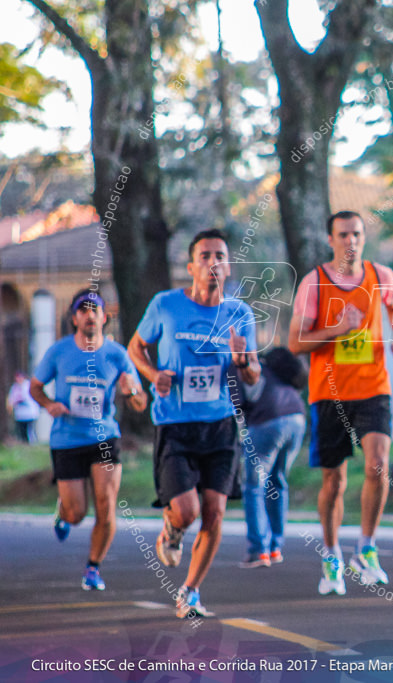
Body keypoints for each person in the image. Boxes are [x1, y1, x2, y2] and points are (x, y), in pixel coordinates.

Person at [128, 228, 260, 618]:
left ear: (229, 265)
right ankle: (172, 529)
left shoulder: (239, 314)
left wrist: (242, 362)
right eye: (204, 256)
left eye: (220, 255)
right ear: (191, 266)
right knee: (186, 511)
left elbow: (253, 374)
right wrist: (153, 376)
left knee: (215, 511)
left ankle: (191, 591)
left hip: (219, 425)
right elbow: (136, 347)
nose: (213, 262)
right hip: (175, 424)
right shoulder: (166, 305)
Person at [288, 210, 393, 595]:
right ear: (331, 240)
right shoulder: (314, 283)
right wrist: (338, 329)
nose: (351, 241)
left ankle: (367, 548)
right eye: (343, 235)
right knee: (334, 481)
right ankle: (331, 553)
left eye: (356, 234)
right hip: (329, 393)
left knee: (378, 466)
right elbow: (294, 343)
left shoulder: (382, 277)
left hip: (374, 387)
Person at [29, 290, 147, 590]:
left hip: (104, 437)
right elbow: (35, 387)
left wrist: (131, 391)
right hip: (67, 438)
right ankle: (64, 513)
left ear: (104, 317)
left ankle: (93, 568)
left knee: (106, 506)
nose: (89, 314)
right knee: (77, 512)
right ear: (74, 317)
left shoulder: (117, 355)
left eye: (95, 310)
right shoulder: (59, 351)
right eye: (83, 310)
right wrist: (49, 405)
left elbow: (141, 403)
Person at [231, 347, 307, 568]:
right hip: (297, 419)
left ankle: (258, 549)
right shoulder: (267, 367)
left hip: (268, 422)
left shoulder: (236, 368)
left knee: (254, 485)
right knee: (277, 481)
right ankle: (275, 546)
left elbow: (238, 405)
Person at [7, 371, 40, 443]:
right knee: (22, 431)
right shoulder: (15, 387)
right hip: (20, 414)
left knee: (30, 431)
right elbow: (11, 399)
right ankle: (23, 443)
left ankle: (32, 444)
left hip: (30, 413)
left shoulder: (28, 386)